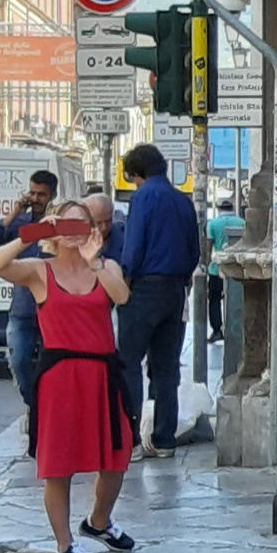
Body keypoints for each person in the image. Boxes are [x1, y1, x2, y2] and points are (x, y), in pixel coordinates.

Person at [0, 201, 135, 553]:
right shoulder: (40, 271)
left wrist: (93, 261)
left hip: (102, 373)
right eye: (66, 222)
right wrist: (35, 232)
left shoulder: (105, 266)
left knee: (117, 455)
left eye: (82, 222)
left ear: (94, 228)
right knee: (58, 464)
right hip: (61, 375)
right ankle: (64, 547)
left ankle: (99, 521)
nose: (74, 229)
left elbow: (121, 296)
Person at [118, 144, 199, 458]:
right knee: (166, 369)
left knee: (129, 363)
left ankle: (131, 440)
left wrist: (124, 282)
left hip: (144, 288)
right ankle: (165, 439)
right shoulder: (183, 201)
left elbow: (134, 246)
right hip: (175, 290)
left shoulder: (143, 198)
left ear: (137, 174)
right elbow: (194, 249)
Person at [0, 169, 58, 406]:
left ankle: (44, 408)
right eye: (32, 193)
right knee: (19, 361)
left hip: (51, 310)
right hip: (22, 308)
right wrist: (12, 215)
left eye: (41, 194)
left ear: (53, 195)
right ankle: (33, 405)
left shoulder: (57, 225)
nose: (35, 199)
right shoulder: (21, 223)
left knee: (50, 365)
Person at [206, 197, 246, 342]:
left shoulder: (213, 224)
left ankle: (217, 330)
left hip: (216, 268)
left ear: (218, 208)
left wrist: (205, 264)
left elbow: (209, 246)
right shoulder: (242, 222)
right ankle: (235, 327)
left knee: (214, 300)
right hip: (237, 267)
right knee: (236, 299)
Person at [81, 191, 126, 266]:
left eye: (108, 221)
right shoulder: (78, 241)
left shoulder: (123, 235)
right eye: (98, 223)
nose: (104, 228)